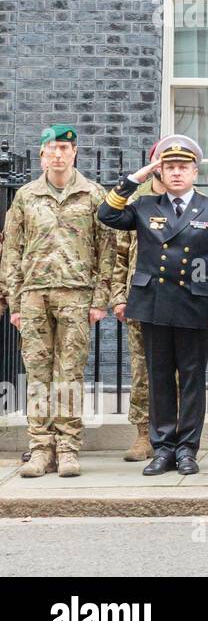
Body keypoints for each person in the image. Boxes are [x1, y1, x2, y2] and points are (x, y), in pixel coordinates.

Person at [97, 135, 208, 477]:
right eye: (169, 167)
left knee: (191, 379)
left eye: (183, 167)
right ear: (161, 170)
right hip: (153, 303)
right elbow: (106, 214)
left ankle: (188, 448)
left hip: (194, 305)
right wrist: (138, 177)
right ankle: (163, 449)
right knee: (159, 378)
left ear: (194, 171)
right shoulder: (146, 206)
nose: (176, 173)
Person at [3, 125, 114, 478]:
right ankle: (40, 448)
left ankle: (67, 448)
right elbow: (11, 249)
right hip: (34, 295)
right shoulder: (25, 196)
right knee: (37, 374)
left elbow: (106, 250)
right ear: (41, 155)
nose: (58, 154)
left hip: (76, 295)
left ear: (75, 152)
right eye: (51, 148)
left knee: (69, 374)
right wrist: (14, 300)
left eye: (65, 148)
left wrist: (100, 299)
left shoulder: (93, 195)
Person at [108, 142, 165, 463]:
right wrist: (118, 296)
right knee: (142, 370)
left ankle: (173, 434)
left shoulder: (195, 201)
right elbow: (119, 253)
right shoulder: (135, 200)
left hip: (180, 298)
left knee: (177, 371)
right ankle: (144, 434)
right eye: (160, 158)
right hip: (138, 298)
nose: (165, 165)